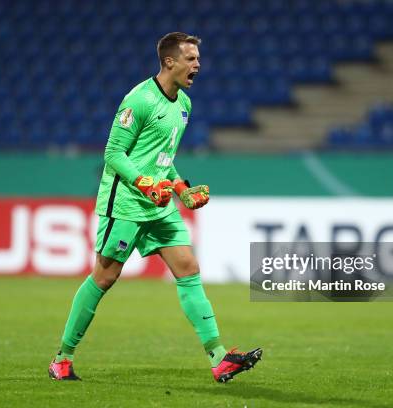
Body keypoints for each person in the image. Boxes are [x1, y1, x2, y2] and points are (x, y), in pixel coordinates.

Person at [48, 32, 262, 383]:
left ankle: (219, 358)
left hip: (159, 204)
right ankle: (63, 358)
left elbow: (162, 160)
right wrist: (143, 183)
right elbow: (113, 154)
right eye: (191, 58)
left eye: (197, 58)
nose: (198, 64)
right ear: (169, 62)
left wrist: (181, 189)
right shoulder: (140, 99)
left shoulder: (184, 105)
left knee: (188, 269)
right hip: (128, 204)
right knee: (105, 277)